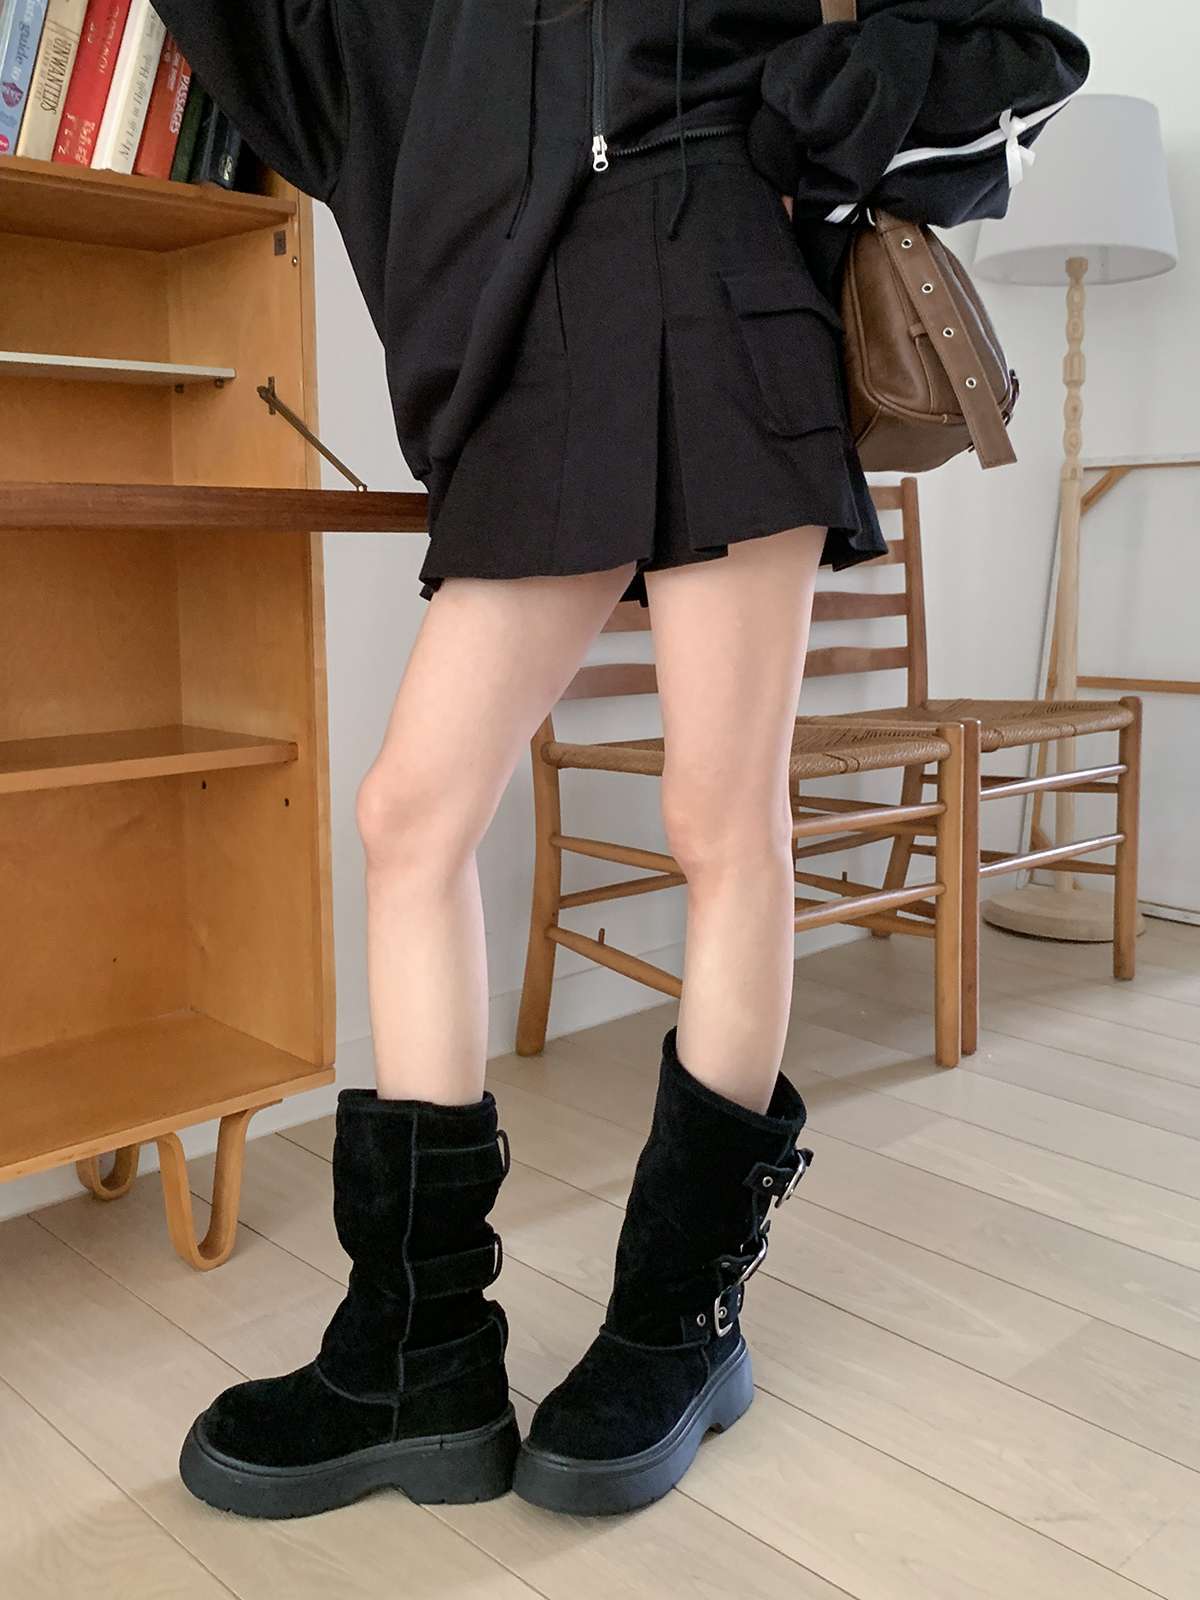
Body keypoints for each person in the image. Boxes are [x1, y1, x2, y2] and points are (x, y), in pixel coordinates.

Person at [154, 0, 1088, 1521]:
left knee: (721, 818)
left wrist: (848, 92)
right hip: (536, 333)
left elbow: (1016, 51)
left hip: (727, 285)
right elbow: (321, 57)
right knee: (411, 817)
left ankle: (676, 1323)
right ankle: (420, 1352)